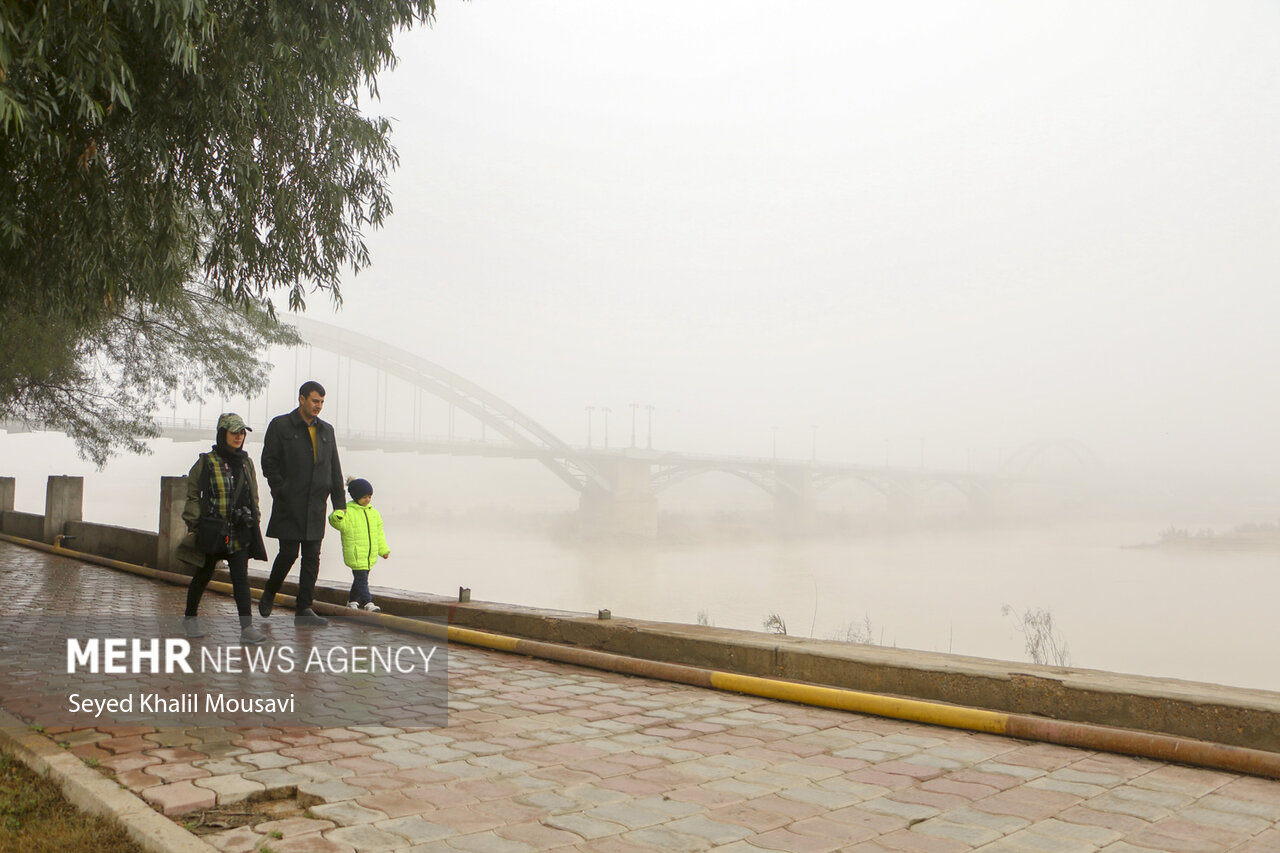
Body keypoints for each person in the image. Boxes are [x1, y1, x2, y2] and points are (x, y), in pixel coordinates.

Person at [258, 380, 346, 626]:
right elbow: (269, 461)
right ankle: (270, 591)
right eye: (315, 401)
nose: (319, 406)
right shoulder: (281, 425)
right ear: (302, 399)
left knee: (312, 556)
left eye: (322, 402)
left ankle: (304, 608)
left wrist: (340, 503)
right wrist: (280, 489)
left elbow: (334, 468)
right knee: (287, 553)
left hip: (316, 503)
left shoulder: (327, 430)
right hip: (290, 502)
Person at [180, 413, 269, 644]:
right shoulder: (206, 462)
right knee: (204, 574)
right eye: (234, 432)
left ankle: (246, 627)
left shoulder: (246, 463)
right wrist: (194, 524)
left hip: (239, 531)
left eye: (242, 433)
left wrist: (254, 521)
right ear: (222, 434)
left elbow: (253, 496)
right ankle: (189, 618)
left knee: (241, 579)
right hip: (213, 531)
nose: (239, 437)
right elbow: (192, 496)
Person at [328, 477, 391, 612]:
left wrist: (383, 550)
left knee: (360, 580)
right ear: (356, 497)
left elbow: (378, 533)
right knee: (362, 579)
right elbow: (336, 522)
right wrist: (338, 514)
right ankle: (368, 603)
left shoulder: (373, 513)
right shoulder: (348, 511)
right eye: (364, 497)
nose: (367, 499)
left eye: (369, 496)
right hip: (356, 553)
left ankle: (352, 601)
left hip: (369, 554)